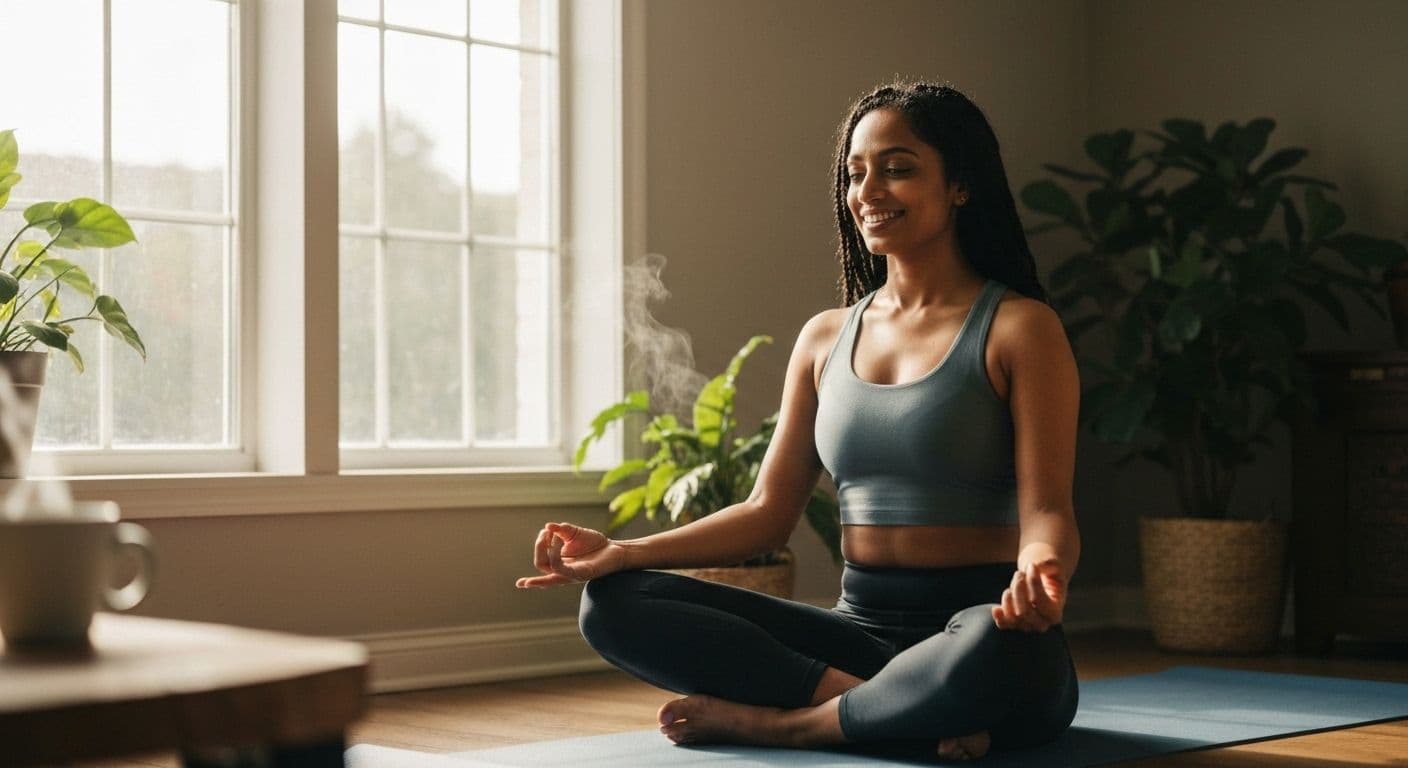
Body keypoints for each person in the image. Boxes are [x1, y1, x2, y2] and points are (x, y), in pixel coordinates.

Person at [516, 81, 1080, 762]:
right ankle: (885, 708)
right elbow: (765, 513)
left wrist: (1041, 568)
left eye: (898, 168)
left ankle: (785, 725)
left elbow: (1047, 507)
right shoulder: (824, 338)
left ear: (960, 184)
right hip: (857, 632)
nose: (869, 190)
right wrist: (624, 553)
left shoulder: (1020, 328)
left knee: (999, 650)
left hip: (976, 628)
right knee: (611, 603)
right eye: (856, 172)